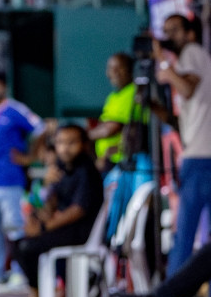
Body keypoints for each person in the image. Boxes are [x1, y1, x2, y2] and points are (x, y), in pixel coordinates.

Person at [8, 124, 104, 297]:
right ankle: (39, 296)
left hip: (83, 232)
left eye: (71, 143)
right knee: (19, 242)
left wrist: (43, 227)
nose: (65, 148)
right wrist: (46, 189)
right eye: (60, 143)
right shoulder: (60, 169)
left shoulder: (86, 171)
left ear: (84, 145)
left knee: (28, 247)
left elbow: (77, 211)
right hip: (62, 228)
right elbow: (51, 202)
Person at [0, 72, 44, 290]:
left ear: (4, 87)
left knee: (14, 227)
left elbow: (41, 128)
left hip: (9, 179)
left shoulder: (16, 109)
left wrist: (30, 157)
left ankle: (20, 272)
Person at [154, 14, 211, 275]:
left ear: (190, 33)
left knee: (184, 235)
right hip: (198, 156)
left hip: (201, 160)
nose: (168, 37)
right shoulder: (189, 59)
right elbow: (182, 120)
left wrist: (164, 64)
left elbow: (187, 89)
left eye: (174, 30)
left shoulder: (192, 52)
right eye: (165, 31)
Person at [90, 52, 147, 171]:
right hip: (109, 160)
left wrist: (84, 136)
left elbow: (110, 129)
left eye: (119, 68)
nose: (114, 72)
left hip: (123, 161)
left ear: (129, 70)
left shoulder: (133, 91)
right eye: (111, 68)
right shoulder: (113, 96)